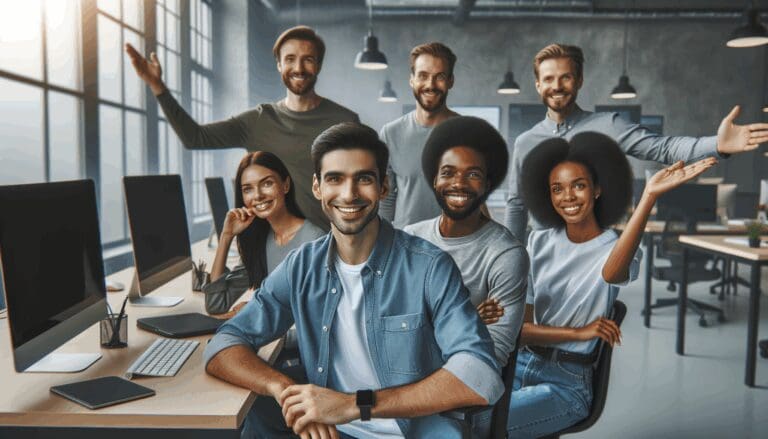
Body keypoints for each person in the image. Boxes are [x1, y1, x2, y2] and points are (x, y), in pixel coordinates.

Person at [204, 122, 503, 439]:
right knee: (256, 414)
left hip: (410, 430)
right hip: (331, 427)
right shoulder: (301, 266)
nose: (349, 194)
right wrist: (286, 391)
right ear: (318, 187)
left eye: (363, 179)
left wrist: (356, 404)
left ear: (383, 187)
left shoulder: (429, 267)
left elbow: (481, 375)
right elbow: (224, 343)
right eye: (335, 179)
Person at [506, 132, 717, 438]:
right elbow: (521, 331)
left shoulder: (613, 248)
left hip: (565, 384)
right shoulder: (537, 242)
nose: (568, 197)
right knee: (456, 414)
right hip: (522, 363)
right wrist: (577, 332)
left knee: (484, 422)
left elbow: (611, 274)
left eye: (578, 185)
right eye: (557, 189)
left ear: (597, 190)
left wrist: (648, 197)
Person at [505, 43, 768, 243]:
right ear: (538, 85)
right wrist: (511, 261)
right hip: (541, 255)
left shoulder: (610, 125)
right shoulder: (526, 142)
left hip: (594, 253)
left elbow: (664, 148)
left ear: (579, 81)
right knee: (536, 318)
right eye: (549, 79)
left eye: (566, 77)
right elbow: (516, 204)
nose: (557, 86)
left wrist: (717, 144)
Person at [125, 26, 359, 231]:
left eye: (308, 59)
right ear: (279, 64)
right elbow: (194, 138)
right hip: (274, 250)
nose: (298, 67)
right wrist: (158, 88)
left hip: (328, 248)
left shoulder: (345, 121)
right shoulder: (256, 121)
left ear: (318, 65)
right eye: (289, 59)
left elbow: (362, 187)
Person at [404, 116, 528, 368]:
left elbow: (490, 358)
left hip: (458, 398)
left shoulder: (505, 255)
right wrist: (467, 318)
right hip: (398, 381)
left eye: (472, 174)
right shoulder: (411, 239)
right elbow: (383, 328)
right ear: (434, 180)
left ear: (487, 185)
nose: (459, 183)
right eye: (448, 173)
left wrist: (422, 328)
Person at [203, 151, 324, 318]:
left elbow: (316, 318)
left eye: (267, 183)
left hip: (296, 343)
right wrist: (226, 236)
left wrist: (257, 310)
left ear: (285, 185)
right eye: (248, 189)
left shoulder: (314, 241)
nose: (258, 195)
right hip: (272, 339)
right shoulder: (259, 240)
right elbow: (216, 305)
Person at [379, 42, 460, 228]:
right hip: (405, 244)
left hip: (453, 243)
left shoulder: (467, 132)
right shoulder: (390, 133)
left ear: (450, 81)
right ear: (412, 79)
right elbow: (386, 198)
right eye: (423, 76)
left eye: (439, 77)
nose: (430, 85)